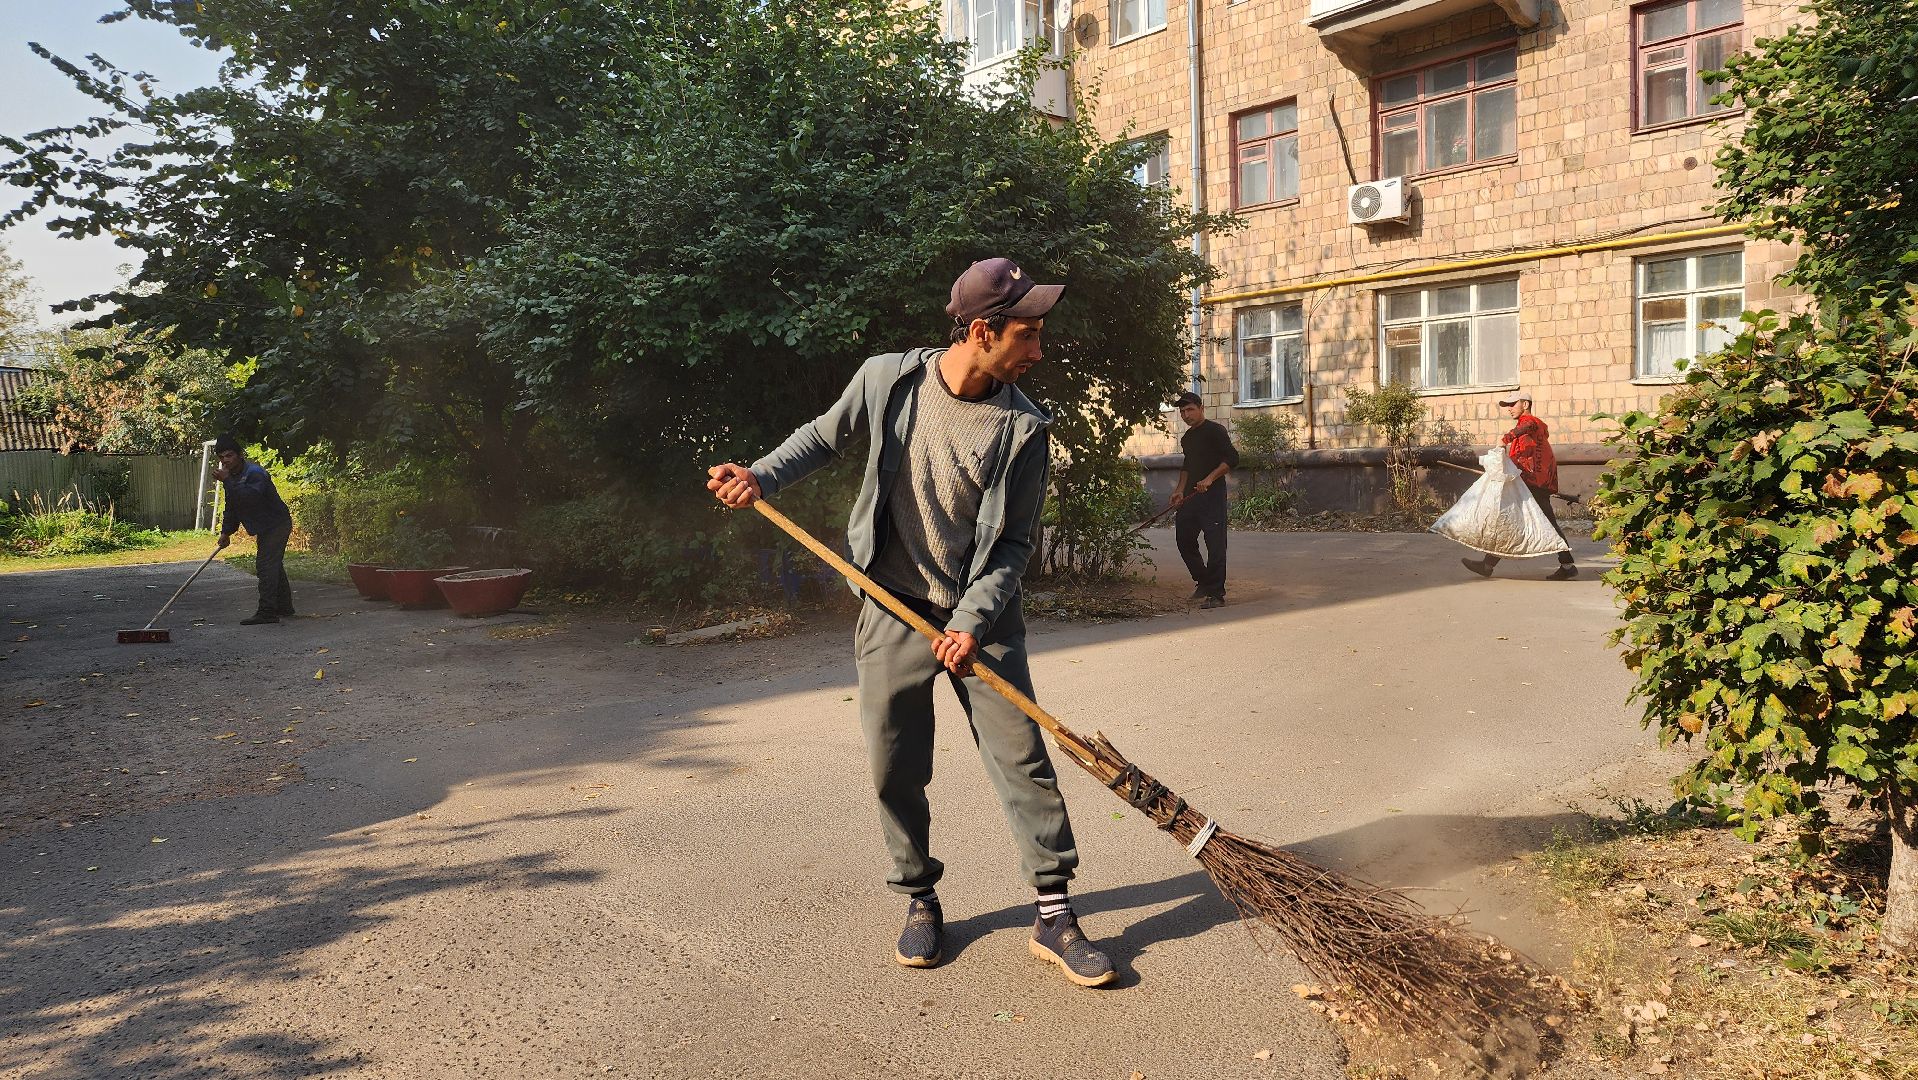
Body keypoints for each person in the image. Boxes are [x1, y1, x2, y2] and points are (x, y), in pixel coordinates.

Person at [705, 258, 1115, 988]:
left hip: (980, 617)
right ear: (981, 330)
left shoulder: (1024, 427)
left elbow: (1014, 543)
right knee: (894, 762)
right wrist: (759, 475)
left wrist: (973, 620)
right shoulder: (888, 380)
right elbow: (822, 437)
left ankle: (1053, 914)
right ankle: (919, 898)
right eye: (1027, 334)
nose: (1038, 351)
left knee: (1022, 758)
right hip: (891, 602)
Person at [1461, 391, 1578, 580]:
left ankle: (1567, 565)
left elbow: (1529, 424)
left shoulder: (1531, 423)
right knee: (1511, 522)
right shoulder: (1525, 430)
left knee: (1530, 522)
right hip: (1529, 483)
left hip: (1535, 484)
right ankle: (1487, 565)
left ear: (1525, 404)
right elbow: (1519, 459)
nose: (1509, 408)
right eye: (1508, 405)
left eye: (1512, 404)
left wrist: (1505, 438)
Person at [211, 435, 296, 624]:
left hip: (277, 523)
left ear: (240, 455)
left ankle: (267, 612)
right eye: (222, 457)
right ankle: (284, 607)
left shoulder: (255, 473)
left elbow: (250, 498)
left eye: (229, 455)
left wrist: (227, 482)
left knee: (266, 565)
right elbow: (232, 507)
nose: (225, 460)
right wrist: (226, 532)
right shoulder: (232, 478)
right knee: (273, 565)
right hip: (265, 526)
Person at [1169, 391, 1239, 608]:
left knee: (1215, 544)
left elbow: (1232, 459)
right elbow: (1187, 466)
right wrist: (1179, 490)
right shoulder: (1187, 438)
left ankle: (1216, 594)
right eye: (1182, 411)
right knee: (1184, 539)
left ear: (1201, 408)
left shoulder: (1215, 431)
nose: (1186, 415)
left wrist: (1209, 479)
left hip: (1212, 497)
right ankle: (1204, 581)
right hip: (1191, 497)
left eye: (1189, 409)